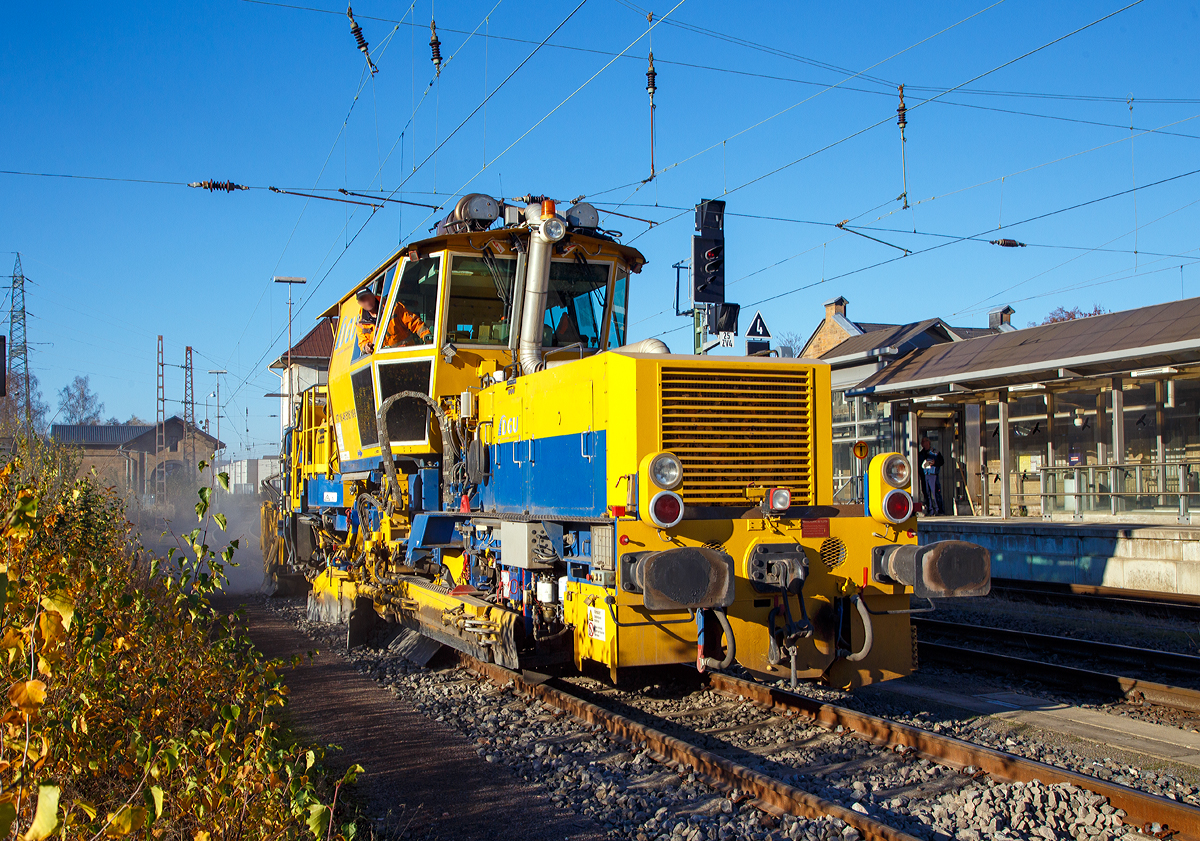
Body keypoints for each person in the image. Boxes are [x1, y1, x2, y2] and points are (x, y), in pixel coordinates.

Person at [355, 287, 432, 354]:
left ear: (373, 295)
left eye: (368, 298)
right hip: (383, 361)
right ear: (359, 303)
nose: (367, 302)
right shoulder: (360, 324)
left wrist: (427, 337)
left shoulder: (393, 307)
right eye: (363, 300)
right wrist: (366, 347)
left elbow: (414, 323)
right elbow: (362, 343)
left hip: (407, 354)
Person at [918, 437, 945, 516]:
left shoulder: (935, 453)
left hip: (933, 475)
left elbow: (941, 462)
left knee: (935, 492)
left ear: (929, 442)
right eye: (922, 442)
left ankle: (939, 510)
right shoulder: (920, 454)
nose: (923, 443)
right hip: (924, 475)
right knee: (926, 493)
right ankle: (930, 510)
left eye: (925, 441)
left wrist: (935, 463)